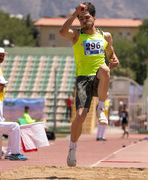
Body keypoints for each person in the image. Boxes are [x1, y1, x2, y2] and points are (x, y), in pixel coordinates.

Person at [59, 2, 119, 166]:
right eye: (81, 19)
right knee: (80, 117)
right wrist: (74, 13)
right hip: (83, 79)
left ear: (94, 18)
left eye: (86, 17)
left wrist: (114, 59)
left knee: (105, 69)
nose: (84, 21)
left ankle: (101, 107)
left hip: (98, 76)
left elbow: (111, 54)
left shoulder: (105, 36)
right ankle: (72, 147)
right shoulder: (76, 35)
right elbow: (62, 32)